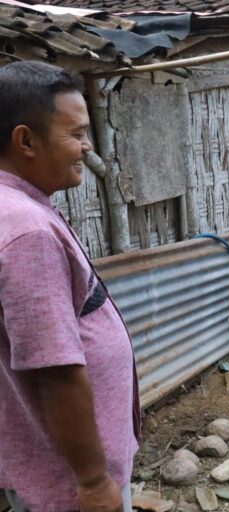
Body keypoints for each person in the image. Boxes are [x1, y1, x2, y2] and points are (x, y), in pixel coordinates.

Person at [0, 61, 139, 511]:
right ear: (26, 140)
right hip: (66, 487)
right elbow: (55, 370)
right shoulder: (27, 232)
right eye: (76, 133)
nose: (86, 146)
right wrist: (95, 481)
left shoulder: (16, 207)